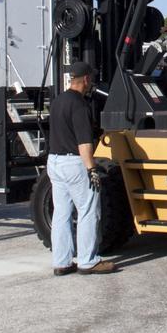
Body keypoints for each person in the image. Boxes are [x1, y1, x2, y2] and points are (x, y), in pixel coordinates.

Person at [46, 60, 115, 274]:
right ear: (85, 79)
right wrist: (91, 169)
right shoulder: (79, 104)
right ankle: (88, 260)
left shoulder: (58, 101)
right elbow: (84, 142)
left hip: (54, 162)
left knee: (61, 214)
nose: (92, 82)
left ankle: (62, 262)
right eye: (91, 78)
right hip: (74, 163)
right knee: (87, 211)